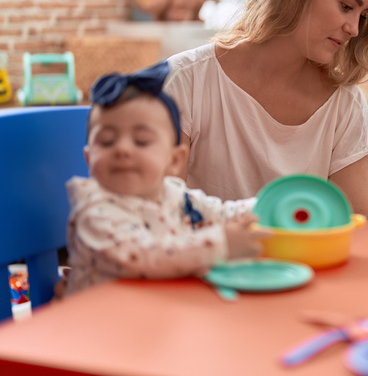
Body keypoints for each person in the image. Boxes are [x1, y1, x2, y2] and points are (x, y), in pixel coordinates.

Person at [164, 0, 368, 221]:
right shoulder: (185, 81)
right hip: (207, 266)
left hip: (310, 268)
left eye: (363, 15)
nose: (354, 29)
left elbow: (355, 232)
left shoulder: (345, 105)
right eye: (346, 6)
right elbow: (162, 216)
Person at [62, 63, 269, 296]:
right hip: (99, 322)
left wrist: (266, 206)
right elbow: (143, 255)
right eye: (107, 141)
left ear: (174, 160)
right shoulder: (93, 211)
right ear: (89, 158)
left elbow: (220, 213)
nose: (122, 149)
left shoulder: (175, 195)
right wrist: (221, 245)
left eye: (141, 141)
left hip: (159, 312)